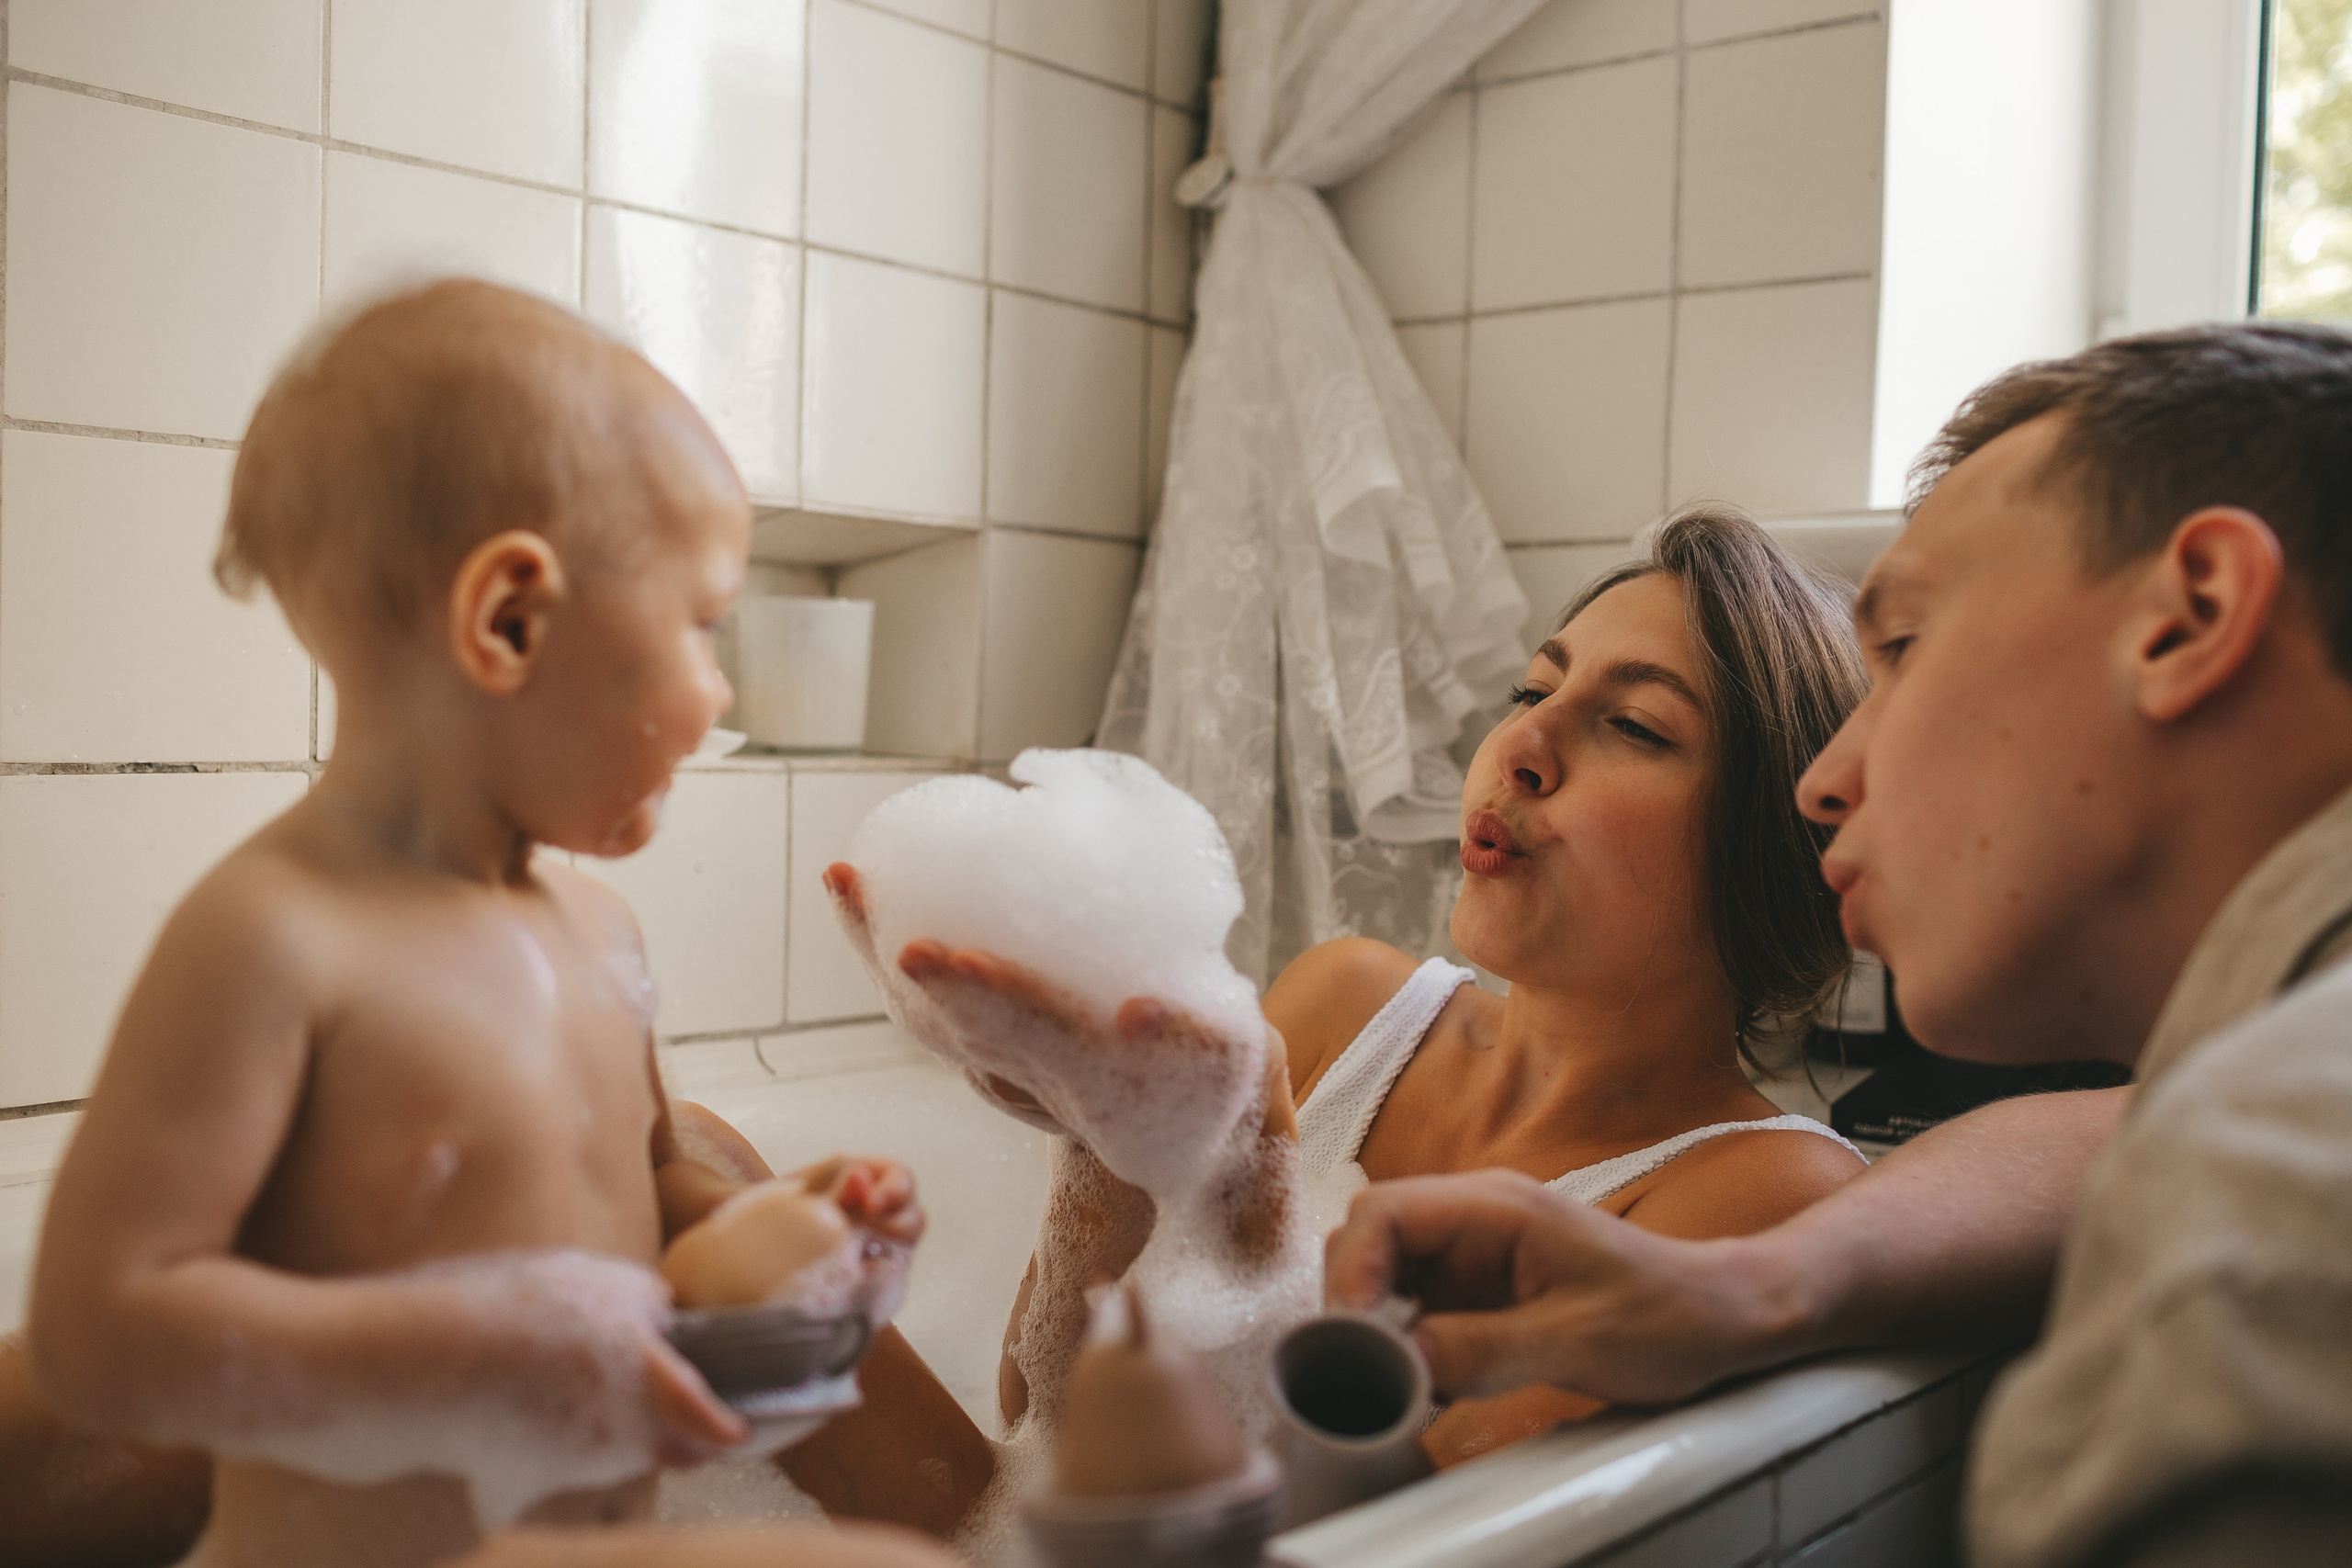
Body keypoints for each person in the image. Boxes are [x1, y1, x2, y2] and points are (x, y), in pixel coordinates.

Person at [1321, 321, 2352, 1566]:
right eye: (1536, 689)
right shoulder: (2251, 1093)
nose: (1828, 781)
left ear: (2191, 615)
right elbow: (2116, 1129)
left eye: (1905, 649)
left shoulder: (2284, 1190)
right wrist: (1755, 1287)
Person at [19, 280, 927, 1568]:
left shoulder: (598, 930)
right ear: (510, 620)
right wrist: (469, 1356)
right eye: (702, 621)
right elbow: (93, 1335)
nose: (720, 682)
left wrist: (790, 1244)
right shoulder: (275, 938)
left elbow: (644, 1200)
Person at [820, 506, 1877, 1503]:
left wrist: (1237, 1162)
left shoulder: (1764, 1189)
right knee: (703, 1163)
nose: (1521, 747)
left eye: (1635, 727)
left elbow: (1398, 1541)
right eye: (1529, 691)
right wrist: (1100, 1132)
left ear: (1768, 850)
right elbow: (1040, 1425)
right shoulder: (1349, 1002)